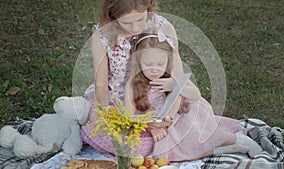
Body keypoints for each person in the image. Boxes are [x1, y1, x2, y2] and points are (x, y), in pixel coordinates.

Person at [80, 0, 199, 156]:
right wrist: (108, 110)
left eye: (140, 20)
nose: (135, 28)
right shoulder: (102, 36)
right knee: (118, 138)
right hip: (117, 98)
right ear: (113, 17)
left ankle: (158, 137)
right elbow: (101, 85)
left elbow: (176, 71)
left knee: (191, 121)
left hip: (155, 94)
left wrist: (167, 113)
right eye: (127, 23)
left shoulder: (162, 26)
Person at [125, 32, 263, 161]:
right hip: (158, 124)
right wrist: (153, 127)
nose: (155, 69)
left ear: (168, 62)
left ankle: (235, 140)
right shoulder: (133, 84)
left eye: (160, 64)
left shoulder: (172, 76)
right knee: (166, 155)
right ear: (138, 62)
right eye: (148, 64)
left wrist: (175, 85)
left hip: (182, 116)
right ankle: (226, 149)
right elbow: (129, 114)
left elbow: (196, 95)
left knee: (193, 135)